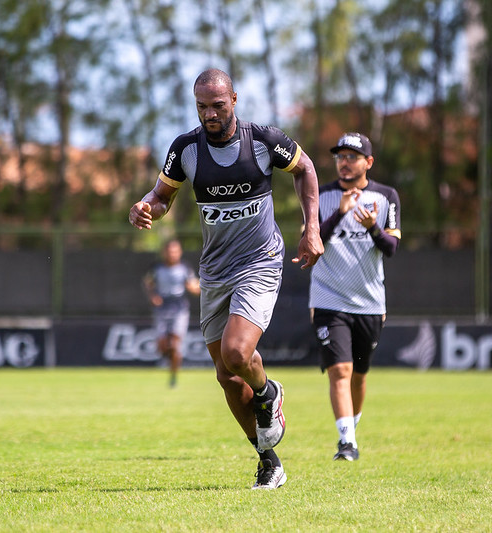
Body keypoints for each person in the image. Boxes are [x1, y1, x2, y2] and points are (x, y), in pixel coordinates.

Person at [129, 68, 324, 489]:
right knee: (227, 375)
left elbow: (305, 169)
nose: (210, 113)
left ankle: (269, 392)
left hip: (259, 262)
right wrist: (145, 206)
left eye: (218, 104)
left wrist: (312, 228)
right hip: (214, 271)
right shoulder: (185, 149)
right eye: (202, 106)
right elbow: (162, 197)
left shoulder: (265, 140)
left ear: (234, 99)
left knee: (237, 353)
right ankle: (268, 461)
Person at [308, 132, 401, 461]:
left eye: (352, 157)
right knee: (340, 371)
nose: (344, 163)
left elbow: (391, 248)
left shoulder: (386, 196)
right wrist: (340, 213)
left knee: (359, 376)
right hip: (329, 298)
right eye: (340, 157)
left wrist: (373, 227)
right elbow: (312, 243)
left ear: (368, 163)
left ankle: (351, 426)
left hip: (370, 302)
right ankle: (347, 442)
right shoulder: (321, 194)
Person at [143, 238, 200, 388]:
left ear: (179, 252)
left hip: (179, 309)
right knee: (162, 347)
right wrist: (152, 296)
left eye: (175, 251)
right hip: (161, 309)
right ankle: (167, 355)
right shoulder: (156, 268)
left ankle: (173, 376)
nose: (172, 254)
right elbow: (148, 284)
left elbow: (193, 285)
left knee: (175, 344)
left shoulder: (185, 268)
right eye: (169, 251)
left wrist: (199, 288)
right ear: (164, 252)